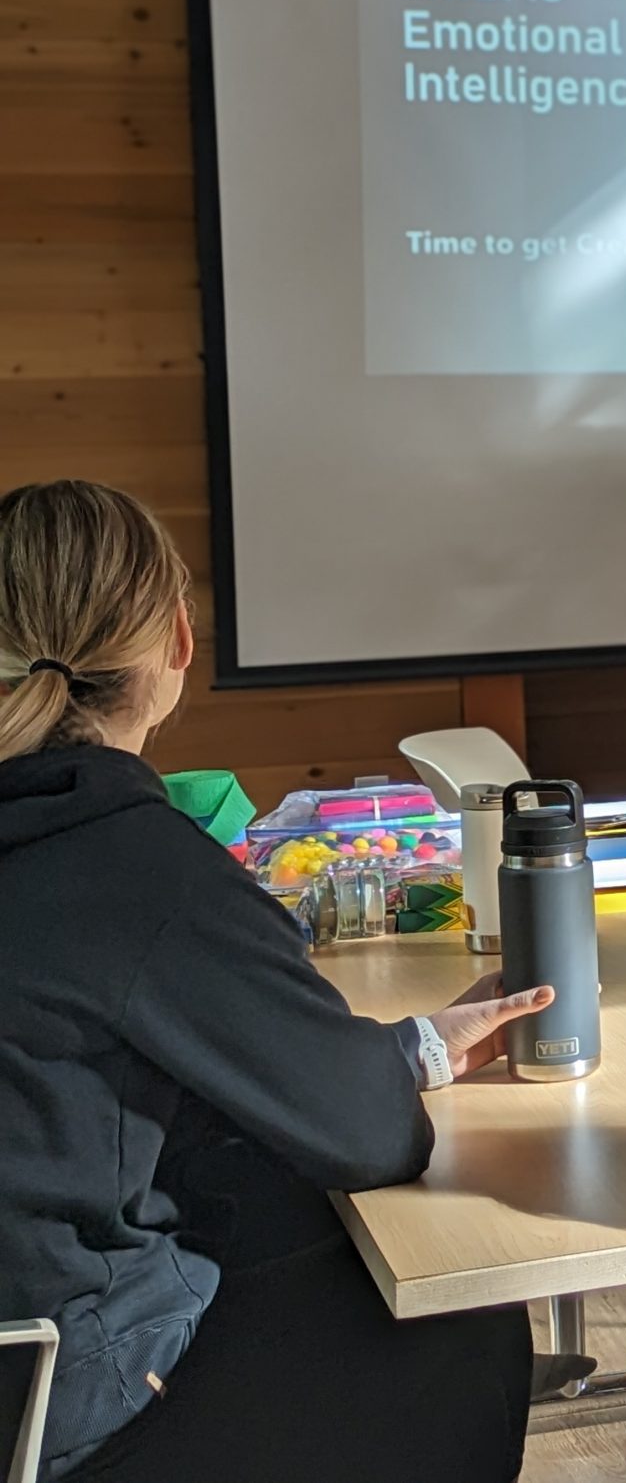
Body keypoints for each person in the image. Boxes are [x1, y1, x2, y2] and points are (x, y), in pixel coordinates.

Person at [0, 481, 549, 1482]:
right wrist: (415, 1053)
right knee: (454, 1312)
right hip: (60, 1414)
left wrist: (405, 1049)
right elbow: (366, 1130)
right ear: (175, 640)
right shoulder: (134, 864)